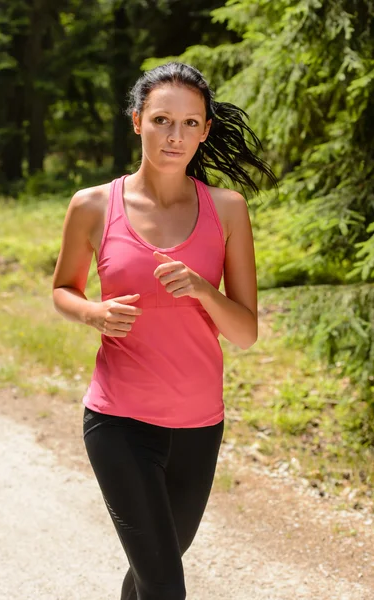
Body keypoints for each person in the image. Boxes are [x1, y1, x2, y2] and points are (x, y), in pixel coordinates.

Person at [52, 62, 276, 600]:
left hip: (200, 428)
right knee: (165, 585)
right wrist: (94, 313)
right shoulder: (93, 205)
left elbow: (245, 332)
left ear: (205, 130)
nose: (176, 136)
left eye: (190, 123)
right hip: (118, 423)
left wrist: (203, 288)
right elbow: (64, 289)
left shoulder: (227, 210)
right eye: (161, 120)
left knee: (154, 571)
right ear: (137, 122)